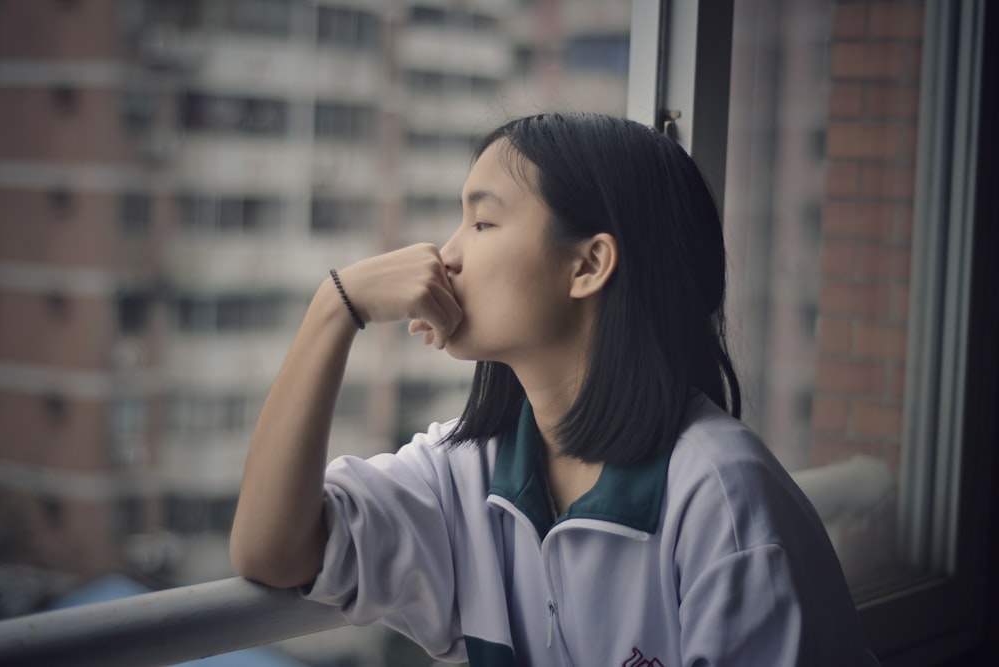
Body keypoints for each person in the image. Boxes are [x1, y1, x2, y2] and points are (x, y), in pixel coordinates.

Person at [230, 112, 880, 666]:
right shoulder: (468, 472)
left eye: (482, 224)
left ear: (589, 264)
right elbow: (274, 550)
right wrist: (334, 306)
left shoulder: (723, 500)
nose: (443, 256)